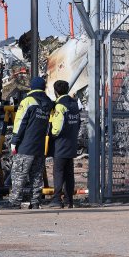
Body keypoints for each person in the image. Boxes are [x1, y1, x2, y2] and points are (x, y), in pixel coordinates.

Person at [6, 76, 53, 209]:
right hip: (39, 145)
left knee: (19, 174)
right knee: (36, 175)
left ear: (32, 87)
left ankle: (15, 202)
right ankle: (35, 202)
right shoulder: (48, 103)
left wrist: (15, 140)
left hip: (25, 145)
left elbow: (20, 122)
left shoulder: (28, 101)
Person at [48, 80, 81, 209]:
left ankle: (57, 199)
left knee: (58, 171)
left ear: (56, 91)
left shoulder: (59, 105)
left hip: (60, 144)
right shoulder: (74, 104)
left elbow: (57, 127)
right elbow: (78, 122)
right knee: (69, 173)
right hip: (71, 142)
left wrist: (52, 135)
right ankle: (69, 200)